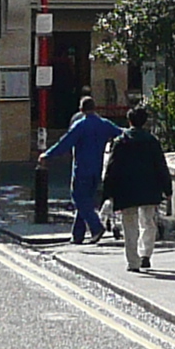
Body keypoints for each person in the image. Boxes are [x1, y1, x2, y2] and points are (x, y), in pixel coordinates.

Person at [40, 93, 124, 244]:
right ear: (94, 107)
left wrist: (47, 155)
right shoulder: (104, 124)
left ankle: (96, 227)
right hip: (97, 169)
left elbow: (64, 143)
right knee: (86, 201)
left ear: (81, 109)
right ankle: (77, 235)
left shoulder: (80, 125)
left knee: (79, 198)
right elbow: (121, 134)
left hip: (82, 169)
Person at [103, 104, 174, 272]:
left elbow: (111, 169)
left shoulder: (120, 141)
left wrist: (108, 193)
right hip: (149, 188)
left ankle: (133, 262)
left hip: (126, 189)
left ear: (129, 121)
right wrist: (168, 189)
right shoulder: (152, 141)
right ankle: (146, 254)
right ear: (145, 122)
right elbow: (161, 166)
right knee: (148, 222)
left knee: (129, 226)